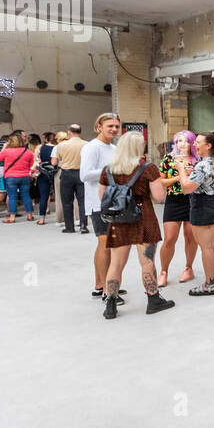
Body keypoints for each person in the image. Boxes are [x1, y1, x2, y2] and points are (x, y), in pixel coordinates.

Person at [97, 131, 176, 320]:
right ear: (140, 148)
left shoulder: (108, 169)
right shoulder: (148, 168)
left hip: (118, 221)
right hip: (143, 219)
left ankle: (111, 304)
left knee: (116, 263)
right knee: (147, 261)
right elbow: (159, 197)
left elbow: (103, 198)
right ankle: (153, 299)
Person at [178, 131, 214, 296]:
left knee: (206, 247)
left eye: (198, 142)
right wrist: (191, 173)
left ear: (208, 146)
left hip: (203, 207)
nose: (194, 144)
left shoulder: (202, 165)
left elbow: (187, 188)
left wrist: (180, 170)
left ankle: (209, 284)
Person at [82, 113, 123, 299]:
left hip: (113, 202)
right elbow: (85, 175)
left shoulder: (114, 148)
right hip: (98, 203)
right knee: (104, 243)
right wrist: (111, 170)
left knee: (109, 243)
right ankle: (105, 287)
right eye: (110, 126)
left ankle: (103, 283)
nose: (114, 129)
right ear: (99, 127)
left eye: (116, 126)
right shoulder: (92, 147)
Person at [157, 130, 199, 287]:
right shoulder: (169, 159)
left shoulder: (197, 159)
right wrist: (179, 176)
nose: (182, 144)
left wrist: (192, 173)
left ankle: (189, 268)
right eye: (179, 141)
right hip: (174, 200)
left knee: (190, 237)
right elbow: (161, 181)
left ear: (192, 143)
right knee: (169, 239)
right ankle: (163, 271)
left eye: (186, 141)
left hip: (192, 200)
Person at [53, 123, 87, 234]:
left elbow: (56, 161)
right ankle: (83, 225)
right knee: (82, 201)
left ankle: (69, 227)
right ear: (80, 132)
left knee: (67, 201)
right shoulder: (86, 144)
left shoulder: (61, 145)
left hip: (66, 174)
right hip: (81, 174)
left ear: (69, 132)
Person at [0, 133, 35, 223]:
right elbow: (31, 165)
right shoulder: (27, 151)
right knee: (26, 196)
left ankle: (12, 217)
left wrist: (4, 147)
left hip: (10, 177)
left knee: (12, 197)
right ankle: (30, 215)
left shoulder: (7, 151)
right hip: (25, 176)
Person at [35, 131, 57, 224]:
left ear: (46, 138)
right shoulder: (58, 147)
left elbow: (35, 160)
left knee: (44, 196)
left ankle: (42, 219)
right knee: (60, 196)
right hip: (55, 172)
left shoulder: (40, 147)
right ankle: (63, 217)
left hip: (43, 172)